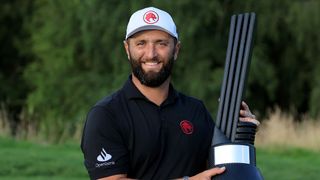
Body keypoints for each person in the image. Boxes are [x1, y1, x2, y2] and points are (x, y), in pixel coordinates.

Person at [80, 6, 260, 180]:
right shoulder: (107, 114)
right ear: (127, 49)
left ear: (176, 50)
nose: (151, 54)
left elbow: (221, 171)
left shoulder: (195, 110)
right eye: (141, 43)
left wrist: (241, 137)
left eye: (161, 43)